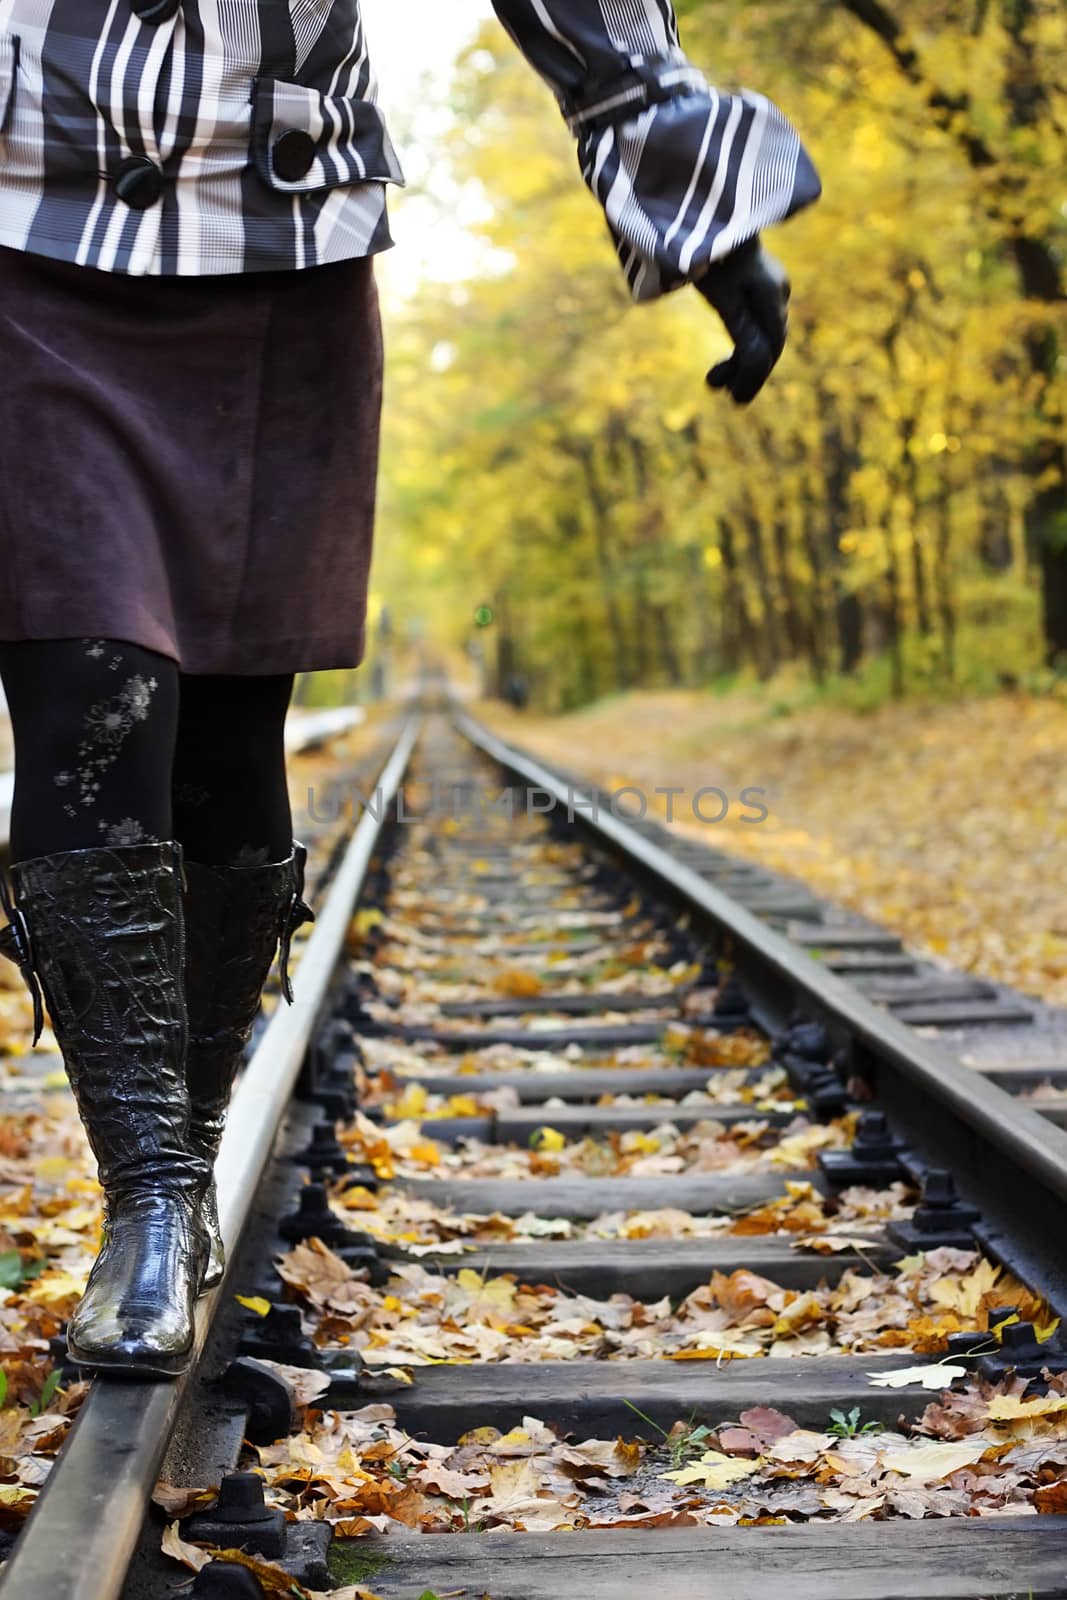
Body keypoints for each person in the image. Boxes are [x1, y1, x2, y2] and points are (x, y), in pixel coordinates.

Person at [0, 0, 819, 1379]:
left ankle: (181, 1169)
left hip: (281, 243)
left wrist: (695, 195)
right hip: (23, 231)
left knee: (223, 743)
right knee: (91, 695)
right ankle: (144, 1203)